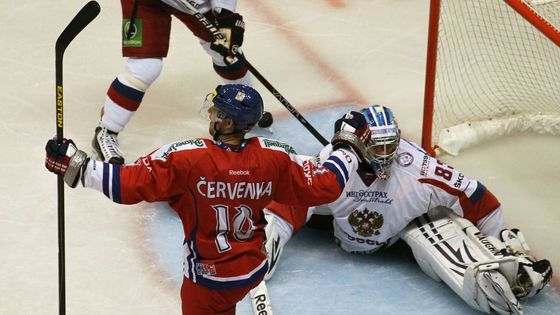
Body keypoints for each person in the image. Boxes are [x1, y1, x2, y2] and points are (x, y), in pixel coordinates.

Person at [45, 84, 372, 315]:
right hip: (251, 270)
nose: (211, 115)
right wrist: (346, 145)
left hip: (207, 281)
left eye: (216, 112)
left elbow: (127, 184)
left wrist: (76, 164)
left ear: (229, 122)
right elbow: (325, 185)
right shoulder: (273, 157)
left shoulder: (187, 159)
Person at [262, 104, 553, 314]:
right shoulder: (336, 160)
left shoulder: (421, 169)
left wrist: (498, 242)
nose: (386, 155)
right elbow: (301, 196)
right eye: (378, 147)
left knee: (440, 234)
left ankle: (502, 267)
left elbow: (476, 195)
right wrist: (270, 238)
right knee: (284, 184)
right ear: (360, 145)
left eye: (391, 145)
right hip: (338, 224)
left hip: (401, 230)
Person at [93, 0, 273, 165]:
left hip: (195, 2)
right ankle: (107, 131)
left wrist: (225, 14)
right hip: (146, 2)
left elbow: (226, 20)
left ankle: (246, 108)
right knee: (145, 67)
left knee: (225, 52)